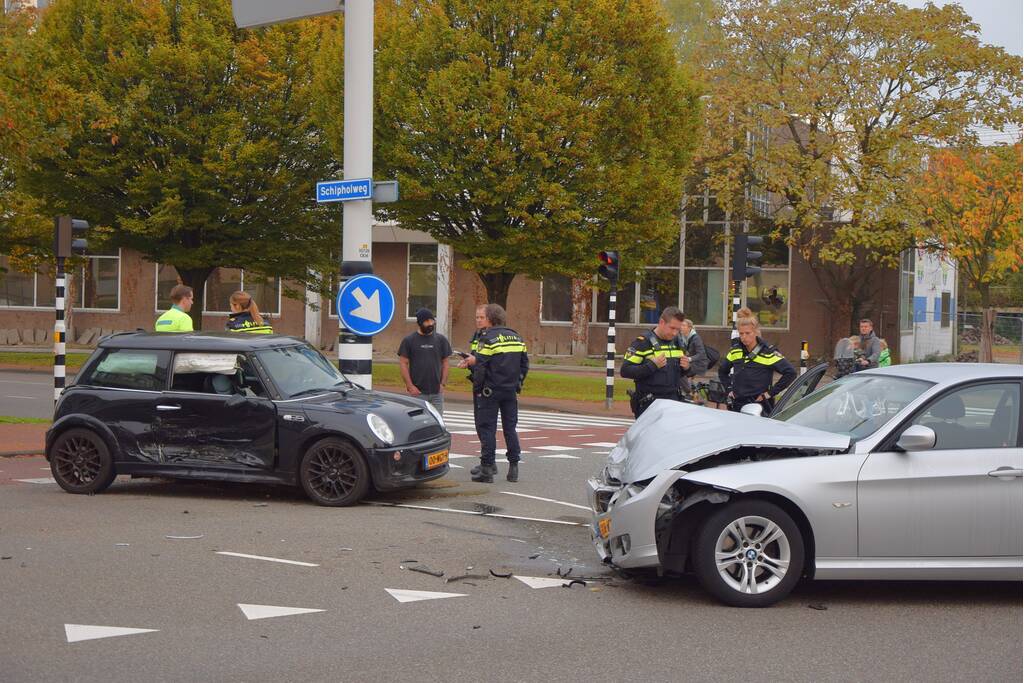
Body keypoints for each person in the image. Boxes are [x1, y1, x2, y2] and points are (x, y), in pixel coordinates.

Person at [460, 303, 529, 483]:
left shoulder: (487, 338)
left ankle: (487, 469)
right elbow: (524, 365)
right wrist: (517, 385)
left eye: (483, 317)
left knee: (487, 429)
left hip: (490, 391)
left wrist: (478, 389)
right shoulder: (517, 337)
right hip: (510, 392)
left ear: (489, 319)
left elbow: (481, 366)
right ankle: (513, 468)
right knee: (510, 429)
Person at [718, 309, 797, 413]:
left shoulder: (767, 352)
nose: (744, 337)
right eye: (741, 334)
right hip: (737, 405)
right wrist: (729, 389)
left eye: (747, 333)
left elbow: (791, 372)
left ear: (755, 332)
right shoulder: (735, 350)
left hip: (759, 406)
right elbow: (722, 371)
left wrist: (770, 393)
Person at [621, 306, 690, 418]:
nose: (674, 333)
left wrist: (686, 368)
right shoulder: (643, 342)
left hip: (673, 403)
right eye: (672, 328)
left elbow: (678, 372)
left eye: (678, 329)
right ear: (662, 322)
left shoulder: (677, 342)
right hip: (650, 404)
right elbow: (625, 370)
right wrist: (652, 366)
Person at [397, 308, 452, 415]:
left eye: (432, 321)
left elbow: (446, 362)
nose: (430, 324)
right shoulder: (409, 340)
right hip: (418, 393)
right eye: (426, 321)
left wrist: (443, 384)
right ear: (419, 322)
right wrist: (410, 386)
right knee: (418, 423)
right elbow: (403, 363)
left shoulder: (441, 340)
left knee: (437, 423)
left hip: (437, 393)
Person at [678, 318, 709, 395]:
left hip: (699, 364)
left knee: (681, 372)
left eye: (684, 325)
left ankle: (689, 392)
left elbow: (701, 353)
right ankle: (691, 389)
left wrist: (689, 359)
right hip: (693, 362)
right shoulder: (684, 337)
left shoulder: (695, 338)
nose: (681, 327)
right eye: (681, 325)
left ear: (689, 328)